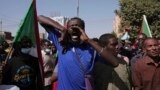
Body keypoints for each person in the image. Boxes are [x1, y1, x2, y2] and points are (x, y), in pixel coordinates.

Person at [38, 15, 118, 90]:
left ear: (83, 29)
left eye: (78, 26)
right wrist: (62, 29)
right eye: (71, 27)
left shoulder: (91, 49)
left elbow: (114, 63)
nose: (74, 29)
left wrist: (89, 40)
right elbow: (40, 18)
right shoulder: (62, 43)